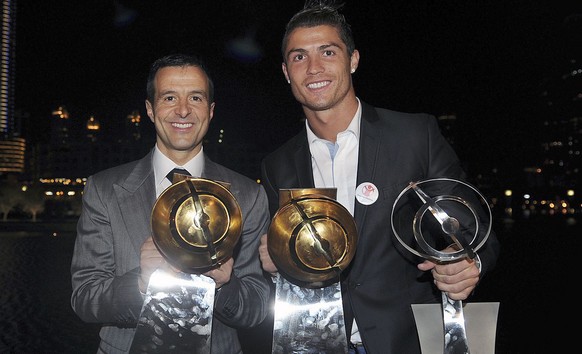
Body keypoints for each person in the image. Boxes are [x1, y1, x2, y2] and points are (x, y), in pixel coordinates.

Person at [258, 1, 501, 353]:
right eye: (299, 57)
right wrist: (276, 262)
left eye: (328, 51)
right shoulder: (276, 165)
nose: (313, 68)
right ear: (285, 71)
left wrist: (468, 262)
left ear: (353, 59)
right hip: (318, 344)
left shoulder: (414, 135)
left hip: (407, 342)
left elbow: (477, 229)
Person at [71, 53, 272, 354]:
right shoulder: (104, 189)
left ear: (211, 110)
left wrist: (225, 285)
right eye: (169, 98)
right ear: (150, 110)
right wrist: (141, 283)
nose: (182, 110)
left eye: (195, 97)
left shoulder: (248, 195)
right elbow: (84, 298)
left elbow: (257, 308)